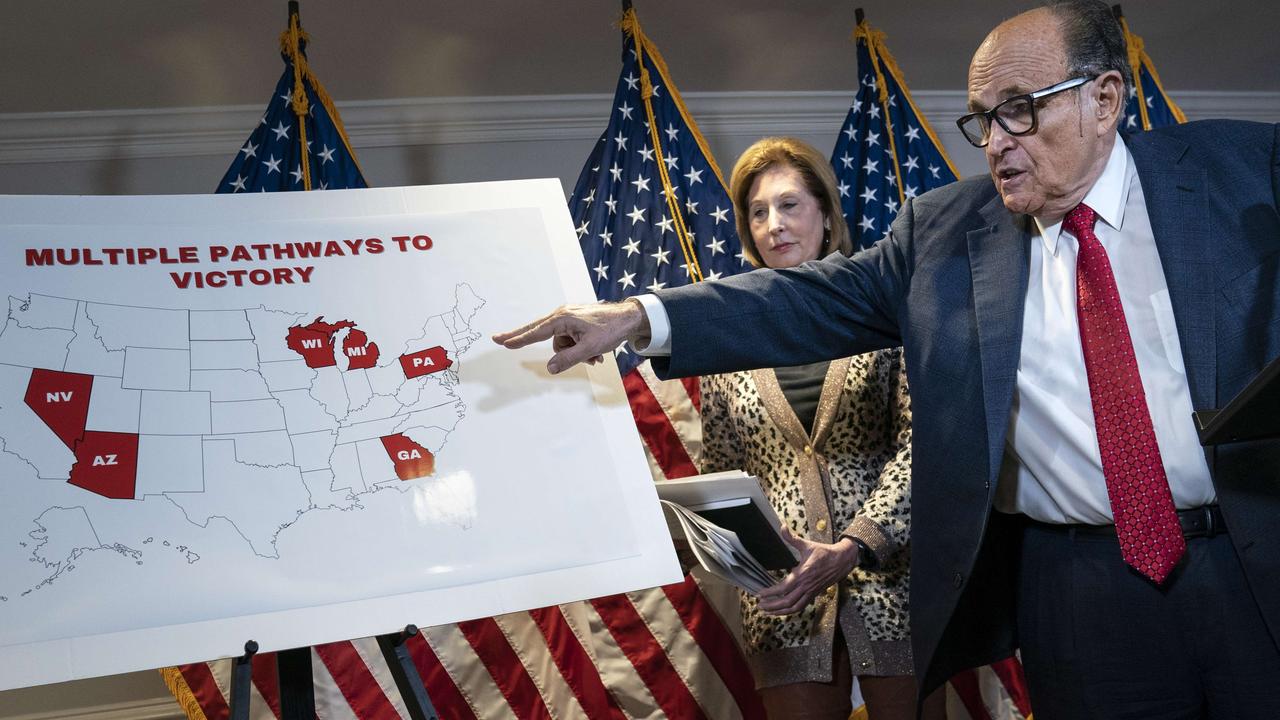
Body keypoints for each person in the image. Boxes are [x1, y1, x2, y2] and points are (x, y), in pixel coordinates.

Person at [495, 1, 1280, 717]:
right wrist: (639, 315)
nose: (997, 142)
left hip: (1250, 557)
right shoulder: (942, 236)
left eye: (1019, 111)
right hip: (1077, 591)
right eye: (983, 121)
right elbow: (802, 299)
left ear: (1104, 99)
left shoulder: (1241, 172)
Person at [702, 137, 942, 720]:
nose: (774, 224)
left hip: (895, 582)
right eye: (758, 212)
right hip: (783, 599)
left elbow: (925, 445)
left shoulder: (886, 313)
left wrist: (854, 545)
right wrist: (751, 563)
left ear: (827, 215)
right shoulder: (727, 339)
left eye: (789, 205)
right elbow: (720, 474)